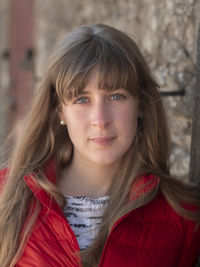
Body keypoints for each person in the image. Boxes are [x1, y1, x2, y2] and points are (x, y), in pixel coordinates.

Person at [0, 23, 200, 267]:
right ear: (59, 110)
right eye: (82, 99)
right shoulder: (6, 195)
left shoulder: (184, 216)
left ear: (140, 104)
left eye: (116, 96)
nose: (100, 120)